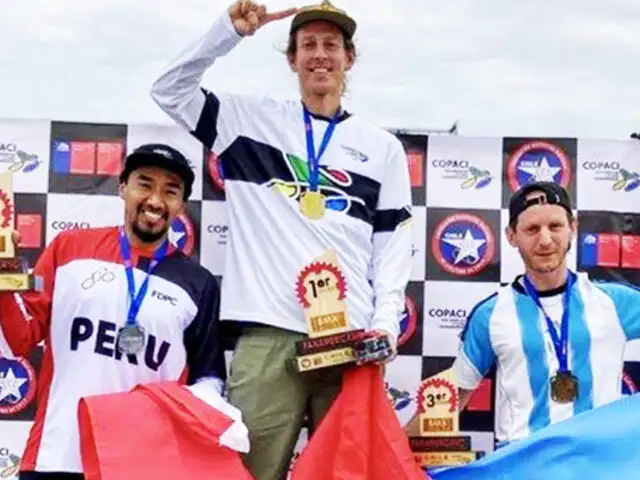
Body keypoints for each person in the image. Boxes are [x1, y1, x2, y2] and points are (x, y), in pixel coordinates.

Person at [150, 1, 413, 478]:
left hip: (350, 339)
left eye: (331, 45)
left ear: (349, 58)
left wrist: (385, 324)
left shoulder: (382, 148)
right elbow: (169, 90)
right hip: (267, 332)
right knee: (248, 472)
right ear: (291, 59)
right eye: (307, 45)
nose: (319, 55)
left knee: (348, 472)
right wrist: (226, 32)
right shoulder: (247, 121)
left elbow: (392, 242)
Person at [0, 144, 229, 479]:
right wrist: (5, 280)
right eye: (145, 184)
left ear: (182, 204)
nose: (155, 200)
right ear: (123, 187)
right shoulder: (69, 248)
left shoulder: (198, 283)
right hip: (58, 456)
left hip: (143, 467)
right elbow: (17, 340)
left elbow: (208, 378)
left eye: (170, 191)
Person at [405, 181, 640, 447]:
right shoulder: (490, 314)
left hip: (596, 465)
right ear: (511, 235)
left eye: (555, 226)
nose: (545, 240)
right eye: (531, 229)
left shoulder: (616, 302)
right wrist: (391, 449)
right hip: (522, 465)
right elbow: (455, 394)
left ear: (572, 228)